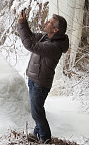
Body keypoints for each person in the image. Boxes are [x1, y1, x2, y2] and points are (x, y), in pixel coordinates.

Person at [17, 10, 69, 144]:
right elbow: (30, 36)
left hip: (40, 84)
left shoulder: (54, 46)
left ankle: (45, 138)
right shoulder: (45, 37)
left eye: (50, 22)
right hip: (34, 80)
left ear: (56, 29)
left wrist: (21, 24)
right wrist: (24, 24)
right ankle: (36, 133)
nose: (47, 22)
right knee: (37, 110)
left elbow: (30, 45)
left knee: (36, 113)